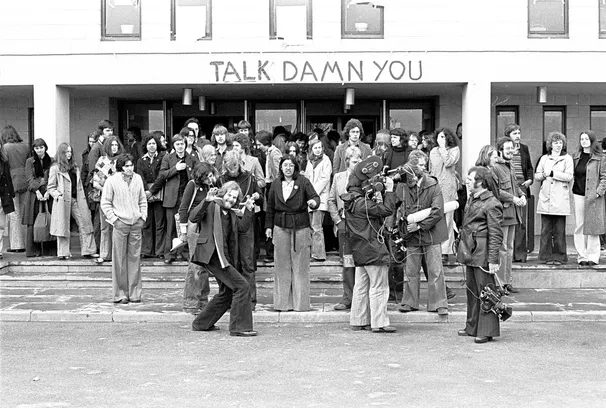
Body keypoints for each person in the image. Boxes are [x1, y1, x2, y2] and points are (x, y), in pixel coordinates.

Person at [190, 182, 257, 337]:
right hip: (213, 256)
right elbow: (193, 217)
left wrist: (248, 208)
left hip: (224, 258)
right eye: (229, 195)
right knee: (242, 286)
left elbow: (242, 228)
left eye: (234, 197)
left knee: (227, 292)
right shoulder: (212, 205)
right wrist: (206, 201)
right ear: (223, 193)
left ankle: (201, 323)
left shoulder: (231, 213)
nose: (231, 199)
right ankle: (239, 327)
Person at [342, 157, 397, 333]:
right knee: (379, 287)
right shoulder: (362, 204)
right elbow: (386, 210)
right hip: (373, 248)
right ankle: (379, 322)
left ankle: (359, 320)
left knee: (361, 286)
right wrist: (389, 190)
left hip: (359, 249)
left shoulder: (351, 202)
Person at [396, 151, 449, 316]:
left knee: (435, 270)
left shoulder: (432, 184)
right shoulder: (402, 186)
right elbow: (397, 208)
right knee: (411, 271)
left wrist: (419, 226)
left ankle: (439, 303)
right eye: (420, 164)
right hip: (411, 236)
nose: (423, 168)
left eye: (424, 164)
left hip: (431, 233)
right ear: (411, 166)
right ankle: (409, 302)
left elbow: (438, 210)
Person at [265, 156, 320, 312]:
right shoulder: (276, 183)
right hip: (280, 226)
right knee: (281, 266)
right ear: (281, 168)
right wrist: (268, 226)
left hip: (300, 227)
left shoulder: (303, 181)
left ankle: (300, 304)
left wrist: (313, 203)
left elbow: (315, 197)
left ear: (295, 167)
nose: (288, 168)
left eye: (290, 165)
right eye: (285, 165)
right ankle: (282, 304)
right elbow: (270, 206)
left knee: (300, 266)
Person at [457, 166, 503, 344]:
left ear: (480, 182)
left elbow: (496, 234)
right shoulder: (472, 198)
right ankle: (472, 326)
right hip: (471, 249)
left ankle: (487, 330)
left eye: (470, 178)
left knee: (487, 292)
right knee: (472, 291)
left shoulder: (492, 203)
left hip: (482, 252)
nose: (467, 181)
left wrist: (493, 259)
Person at [219, 150, 263, 310]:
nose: (232, 170)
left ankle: (250, 302)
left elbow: (261, 196)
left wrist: (256, 197)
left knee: (247, 263)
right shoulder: (222, 179)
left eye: (235, 167)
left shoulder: (249, 178)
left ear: (240, 164)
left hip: (245, 225)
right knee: (230, 263)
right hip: (228, 225)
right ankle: (230, 300)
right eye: (229, 167)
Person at [101, 154, 146, 304]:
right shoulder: (111, 181)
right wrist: (115, 221)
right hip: (120, 224)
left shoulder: (138, 179)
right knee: (119, 260)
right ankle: (120, 294)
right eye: (126, 166)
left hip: (135, 224)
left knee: (135, 258)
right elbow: (105, 203)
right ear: (121, 167)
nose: (129, 168)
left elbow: (142, 200)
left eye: (131, 165)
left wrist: (142, 218)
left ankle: (134, 293)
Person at [150, 134, 198, 264]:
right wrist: (175, 169)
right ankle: (169, 254)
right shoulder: (168, 158)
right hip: (172, 197)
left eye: (182, 144)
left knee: (186, 226)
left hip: (187, 196)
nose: (180, 146)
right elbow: (162, 175)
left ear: (185, 144)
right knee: (170, 227)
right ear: (174, 146)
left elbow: (198, 173)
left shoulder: (192, 158)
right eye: (177, 144)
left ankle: (186, 253)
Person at [47, 143, 98, 260]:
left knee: (85, 222)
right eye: (66, 152)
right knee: (63, 225)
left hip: (76, 199)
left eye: (70, 152)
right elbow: (50, 187)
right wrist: (57, 195)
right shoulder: (55, 168)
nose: (69, 154)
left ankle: (88, 250)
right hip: (63, 200)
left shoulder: (75, 167)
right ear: (61, 153)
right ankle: (63, 253)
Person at [179, 162, 218, 314]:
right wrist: (183, 231)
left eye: (211, 175)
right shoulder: (192, 185)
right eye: (207, 176)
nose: (210, 178)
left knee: (204, 265)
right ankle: (191, 302)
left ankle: (202, 300)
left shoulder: (209, 186)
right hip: (194, 226)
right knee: (195, 266)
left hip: (207, 226)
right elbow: (183, 207)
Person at [328, 146, 361, 310]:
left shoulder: (366, 178)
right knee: (347, 263)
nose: (358, 163)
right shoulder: (338, 177)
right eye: (355, 161)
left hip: (362, 227)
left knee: (361, 262)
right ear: (347, 161)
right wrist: (337, 221)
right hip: (344, 225)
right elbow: (331, 200)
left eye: (360, 159)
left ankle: (361, 298)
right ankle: (348, 297)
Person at [492, 137, 526, 293]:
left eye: (512, 148)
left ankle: (506, 281)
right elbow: (497, 191)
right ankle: (499, 284)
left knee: (509, 248)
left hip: (513, 212)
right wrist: (514, 198)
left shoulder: (510, 166)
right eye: (507, 149)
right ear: (500, 150)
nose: (511, 151)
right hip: (504, 213)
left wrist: (522, 195)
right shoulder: (495, 167)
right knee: (502, 248)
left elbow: (515, 186)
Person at [535, 132, 573, 264]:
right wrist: (542, 176)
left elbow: (569, 176)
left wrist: (553, 173)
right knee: (545, 229)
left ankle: (559, 257)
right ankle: (545, 257)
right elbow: (537, 174)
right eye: (555, 142)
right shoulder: (544, 158)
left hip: (560, 198)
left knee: (559, 230)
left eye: (560, 142)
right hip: (546, 197)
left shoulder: (567, 158)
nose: (558, 145)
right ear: (550, 144)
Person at [572, 131, 606, 266]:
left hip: (593, 197)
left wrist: (598, 192)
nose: (584, 141)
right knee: (579, 226)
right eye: (582, 139)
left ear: (592, 141)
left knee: (593, 226)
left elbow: (604, 177)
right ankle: (582, 256)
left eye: (586, 139)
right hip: (578, 194)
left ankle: (593, 256)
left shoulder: (600, 157)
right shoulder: (576, 157)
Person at [429, 127, 460, 266]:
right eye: (438, 137)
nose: (440, 140)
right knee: (436, 218)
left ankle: (445, 252)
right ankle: (435, 249)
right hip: (435, 187)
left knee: (447, 220)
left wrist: (443, 148)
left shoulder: (455, 150)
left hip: (448, 189)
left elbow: (448, 162)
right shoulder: (433, 151)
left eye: (443, 137)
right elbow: (432, 169)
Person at [92, 136, 124, 264]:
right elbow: (96, 182)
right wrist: (107, 192)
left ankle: (119, 255)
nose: (114, 147)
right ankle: (105, 254)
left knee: (120, 227)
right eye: (112, 145)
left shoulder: (122, 160)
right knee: (105, 227)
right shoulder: (102, 160)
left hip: (120, 199)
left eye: (116, 145)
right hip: (105, 199)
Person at [506, 124, 534, 263]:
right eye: (514, 133)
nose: (517, 135)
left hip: (522, 188)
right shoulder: (505, 149)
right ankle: (509, 254)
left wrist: (530, 180)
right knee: (510, 221)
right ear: (508, 135)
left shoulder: (524, 148)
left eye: (518, 133)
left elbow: (529, 167)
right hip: (509, 189)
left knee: (521, 223)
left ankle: (520, 254)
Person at [22, 138, 55, 257]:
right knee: (33, 220)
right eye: (36, 148)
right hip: (33, 195)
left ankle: (49, 250)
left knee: (49, 219)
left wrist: (46, 191)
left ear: (45, 147)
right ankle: (33, 251)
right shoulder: (29, 161)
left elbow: (52, 177)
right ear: (33, 149)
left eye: (41, 147)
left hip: (48, 193)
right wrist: (37, 191)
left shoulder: (51, 161)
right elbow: (29, 179)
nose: (39, 150)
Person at [138, 132, 167, 258]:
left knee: (160, 223)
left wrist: (152, 191)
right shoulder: (141, 160)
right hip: (145, 194)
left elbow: (161, 176)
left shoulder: (162, 158)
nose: (151, 146)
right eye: (149, 144)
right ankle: (146, 250)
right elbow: (140, 176)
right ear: (146, 145)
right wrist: (146, 192)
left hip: (159, 191)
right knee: (147, 222)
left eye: (154, 143)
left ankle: (159, 251)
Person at [1, 125, 29, 252]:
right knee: (24, 213)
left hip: (12, 180)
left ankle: (17, 245)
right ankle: (26, 243)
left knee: (14, 213)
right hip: (25, 179)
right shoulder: (25, 146)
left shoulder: (6, 147)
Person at [305, 139, 332, 261]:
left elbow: (324, 179)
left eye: (319, 147)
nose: (318, 150)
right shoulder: (310, 161)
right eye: (315, 148)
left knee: (317, 227)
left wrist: (312, 193)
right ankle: (313, 252)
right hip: (310, 199)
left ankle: (319, 254)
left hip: (320, 198)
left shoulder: (326, 160)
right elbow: (307, 177)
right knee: (311, 227)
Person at [0, 147, 15, 258]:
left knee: (1, 225)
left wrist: (11, 193)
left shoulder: (4, 161)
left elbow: (8, 178)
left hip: (3, 195)